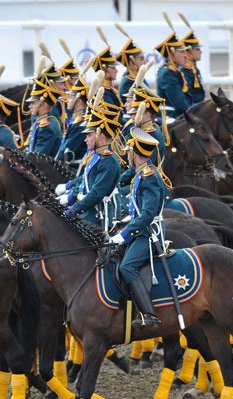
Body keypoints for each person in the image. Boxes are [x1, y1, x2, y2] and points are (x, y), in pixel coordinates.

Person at [108, 128, 168, 329]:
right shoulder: (141, 174)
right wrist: (124, 221)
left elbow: (148, 214)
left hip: (149, 234)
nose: (128, 155)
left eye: (130, 152)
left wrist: (124, 235)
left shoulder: (149, 176)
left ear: (136, 153)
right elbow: (139, 210)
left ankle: (149, 315)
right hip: (141, 229)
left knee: (127, 267)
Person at [55, 107, 122, 229]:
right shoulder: (97, 156)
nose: (85, 140)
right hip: (87, 211)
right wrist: (69, 196)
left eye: (89, 135)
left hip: (97, 216)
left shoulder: (108, 161)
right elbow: (85, 183)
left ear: (100, 136)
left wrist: (73, 210)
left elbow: (96, 194)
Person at [155, 32, 192, 119]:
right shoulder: (168, 73)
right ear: (171, 54)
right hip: (172, 117)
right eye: (182, 52)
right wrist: (193, 114)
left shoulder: (173, 71)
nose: (185, 56)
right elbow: (179, 104)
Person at [56, 76, 89, 171]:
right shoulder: (77, 121)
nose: (67, 100)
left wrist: (52, 165)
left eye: (70, 97)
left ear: (78, 101)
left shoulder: (80, 125)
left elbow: (67, 153)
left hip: (74, 170)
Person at [25, 79, 63, 156]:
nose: (29, 106)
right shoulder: (42, 123)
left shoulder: (47, 128)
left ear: (43, 105)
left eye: (33, 103)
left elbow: (37, 158)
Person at [91, 46, 123, 113]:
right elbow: (113, 114)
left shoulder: (109, 90)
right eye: (113, 68)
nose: (116, 71)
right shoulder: (103, 92)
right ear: (104, 69)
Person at [180, 29, 206, 105]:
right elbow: (187, 96)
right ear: (188, 52)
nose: (201, 52)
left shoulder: (194, 69)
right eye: (197, 49)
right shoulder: (184, 71)